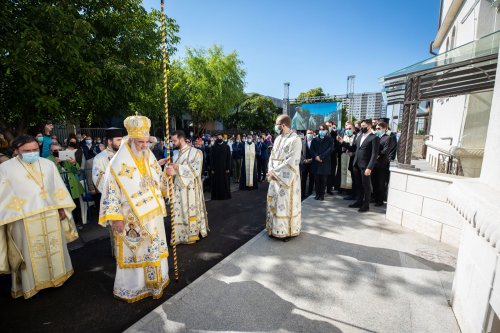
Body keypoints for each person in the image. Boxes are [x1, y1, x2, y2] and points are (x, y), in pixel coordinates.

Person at [98, 115, 170, 302]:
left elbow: (158, 182)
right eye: (140, 142)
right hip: (131, 217)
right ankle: (134, 288)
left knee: (153, 249)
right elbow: (110, 192)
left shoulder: (149, 157)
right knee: (136, 252)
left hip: (152, 216)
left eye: (147, 141)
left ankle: (156, 284)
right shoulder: (117, 163)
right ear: (130, 141)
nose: (145, 146)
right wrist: (115, 218)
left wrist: (167, 176)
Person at [0, 135, 77, 299]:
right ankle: (32, 286)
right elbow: (3, 195)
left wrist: (61, 207)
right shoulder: (6, 168)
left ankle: (58, 277)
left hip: (50, 214)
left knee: (54, 246)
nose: (32, 153)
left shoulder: (48, 164)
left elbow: (57, 187)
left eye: (35, 150)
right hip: (23, 218)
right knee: (28, 253)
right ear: (16, 151)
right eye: (26, 151)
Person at [165, 130, 209, 244]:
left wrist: (178, 168)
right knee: (178, 213)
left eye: (174, 140)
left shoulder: (196, 152)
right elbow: (169, 169)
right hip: (177, 189)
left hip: (191, 191)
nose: (173, 143)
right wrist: (168, 170)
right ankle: (179, 236)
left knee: (189, 212)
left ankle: (192, 234)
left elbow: (196, 170)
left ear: (181, 139)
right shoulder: (173, 154)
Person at [266, 115, 302, 241]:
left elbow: (292, 161)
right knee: (274, 202)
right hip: (274, 176)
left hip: (287, 179)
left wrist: (275, 173)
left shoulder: (295, 140)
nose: (275, 127)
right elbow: (272, 156)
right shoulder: (277, 138)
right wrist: (270, 169)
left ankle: (286, 231)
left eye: (276, 124)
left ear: (283, 125)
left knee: (284, 203)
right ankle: (273, 228)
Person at [340, 119, 379, 212]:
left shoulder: (374, 138)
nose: (362, 127)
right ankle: (359, 201)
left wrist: (369, 167)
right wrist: (343, 142)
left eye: (364, 126)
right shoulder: (359, 136)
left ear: (369, 126)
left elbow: (374, 154)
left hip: (365, 166)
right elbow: (353, 148)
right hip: (356, 164)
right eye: (361, 126)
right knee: (358, 184)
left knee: (366, 185)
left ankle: (366, 205)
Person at [47, 143, 85, 228]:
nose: (58, 152)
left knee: (76, 205)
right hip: (59, 188)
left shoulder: (66, 157)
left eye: (60, 150)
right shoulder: (48, 160)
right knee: (64, 207)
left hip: (72, 185)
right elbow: (48, 175)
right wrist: (56, 164)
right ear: (51, 151)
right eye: (55, 151)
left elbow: (77, 171)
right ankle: (67, 226)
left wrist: (74, 163)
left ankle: (78, 223)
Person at [372, 122, 396, 206]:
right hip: (374, 163)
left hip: (382, 163)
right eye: (376, 129)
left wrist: (377, 155)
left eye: (379, 129)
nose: (377, 130)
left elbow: (385, 151)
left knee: (381, 183)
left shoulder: (388, 138)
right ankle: (374, 197)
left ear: (384, 128)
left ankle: (380, 200)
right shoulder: (375, 137)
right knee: (374, 181)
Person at [311, 125, 333, 201]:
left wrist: (321, 157)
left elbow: (330, 149)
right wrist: (316, 156)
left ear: (326, 130)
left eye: (323, 129)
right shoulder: (315, 139)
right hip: (316, 162)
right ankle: (317, 194)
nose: (321, 131)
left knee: (323, 180)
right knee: (317, 180)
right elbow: (312, 149)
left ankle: (322, 195)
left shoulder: (330, 139)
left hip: (325, 162)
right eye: (320, 129)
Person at [209, 132, 231, 200]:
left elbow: (229, 158)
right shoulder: (213, 147)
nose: (219, 138)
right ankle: (216, 196)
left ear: (222, 138)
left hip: (224, 168)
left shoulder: (226, 147)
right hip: (216, 169)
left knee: (225, 182)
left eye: (220, 137)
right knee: (216, 183)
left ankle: (225, 196)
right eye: (218, 137)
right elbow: (211, 158)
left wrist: (228, 168)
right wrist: (212, 168)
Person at [339, 123, 356, 194]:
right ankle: (344, 188)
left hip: (351, 157)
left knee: (350, 173)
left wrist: (353, 153)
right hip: (344, 156)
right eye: (347, 129)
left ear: (353, 129)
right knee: (343, 172)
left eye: (350, 129)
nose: (348, 130)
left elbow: (355, 148)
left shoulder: (355, 137)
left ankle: (351, 190)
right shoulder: (344, 137)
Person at [300, 129, 315, 199]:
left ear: (313, 134)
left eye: (311, 133)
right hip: (304, 164)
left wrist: (312, 159)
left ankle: (310, 193)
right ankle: (302, 194)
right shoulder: (301, 142)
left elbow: (317, 152)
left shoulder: (315, 142)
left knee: (312, 179)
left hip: (312, 163)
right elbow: (300, 153)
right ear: (306, 134)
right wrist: (304, 160)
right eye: (308, 133)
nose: (310, 135)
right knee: (303, 179)